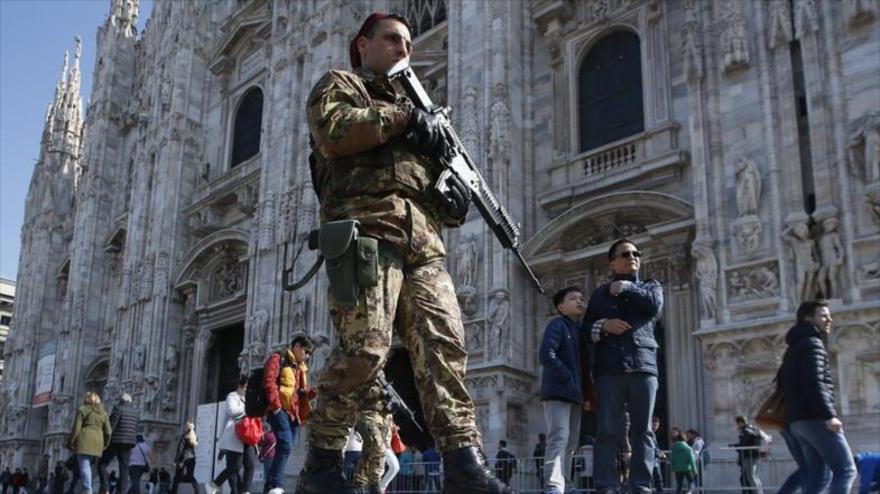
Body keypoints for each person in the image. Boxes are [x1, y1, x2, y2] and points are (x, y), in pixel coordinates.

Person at [296, 11, 510, 494]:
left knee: (445, 347)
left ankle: (462, 460)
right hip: (367, 235)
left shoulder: (421, 114)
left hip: (424, 245)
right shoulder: (343, 86)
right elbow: (335, 132)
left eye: (409, 43)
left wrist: (452, 198)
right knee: (366, 350)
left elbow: (437, 194)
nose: (403, 49)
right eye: (392, 39)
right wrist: (405, 118)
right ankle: (323, 461)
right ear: (363, 45)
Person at [582, 239, 663, 494]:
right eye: (625, 254)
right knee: (606, 429)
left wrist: (627, 287)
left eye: (636, 253)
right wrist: (603, 326)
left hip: (643, 366)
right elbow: (585, 329)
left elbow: (654, 307)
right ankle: (606, 484)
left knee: (644, 430)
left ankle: (641, 484)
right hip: (609, 369)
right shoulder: (599, 294)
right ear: (613, 261)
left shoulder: (650, 286)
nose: (632, 257)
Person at [782, 300, 857, 494]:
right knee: (846, 470)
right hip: (815, 418)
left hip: (798, 422)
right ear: (808, 319)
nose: (829, 319)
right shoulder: (812, 344)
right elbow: (815, 383)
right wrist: (829, 415)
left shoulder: (793, 347)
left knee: (818, 477)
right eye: (823, 315)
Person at [540, 286, 587, 494]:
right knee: (558, 437)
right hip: (559, 391)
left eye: (581, 298)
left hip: (575, 394)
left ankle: (565, 484)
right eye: (573, 298)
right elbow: (546, 354)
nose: (579, 301)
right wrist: (567, 377)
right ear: (561, 306)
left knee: (571, 442)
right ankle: (553, 485)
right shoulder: (557, 324)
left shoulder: (578, 330)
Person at [262, 334, 315, 494]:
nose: (306, 356)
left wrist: (311, 394)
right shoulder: (278, 358)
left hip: (294, 413)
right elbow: (269, 381)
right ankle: (276, 485)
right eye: (305, 351)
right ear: (297, 346)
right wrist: (276, 406)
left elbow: (298, 393)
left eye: (309, 354)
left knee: (284, 448)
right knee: (285, 444)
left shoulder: (299, 368)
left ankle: (269, 486)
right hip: (279, 411)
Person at [206, 377, 247, 494]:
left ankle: (215, 485)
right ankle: (230, 489)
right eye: (245, 387)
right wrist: (247, 409)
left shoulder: (245, 398)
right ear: (240, 386)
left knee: (233, 468)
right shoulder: (232, 396)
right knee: (234, 468)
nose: (246, 389)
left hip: (241, 437)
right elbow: (231, 411)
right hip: (231, 437)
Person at [68, 391, 112, 494]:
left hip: (84, 441)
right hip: (98, 443)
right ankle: (90, 487)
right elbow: (109, 431)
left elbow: (76, 428)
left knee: (84, 466)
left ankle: (88, 489)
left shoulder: (83, 409)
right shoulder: (104, 413)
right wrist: (106, 443)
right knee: (91, 467)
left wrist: (71, 442)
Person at [99, 393, 140, 494]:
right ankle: (121, 491)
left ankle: (105, 487)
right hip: (129, 442)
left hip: (116, 441)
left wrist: (105, 440)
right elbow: (136, 427)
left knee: (102, 463)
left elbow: (111, 427)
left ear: (121, 400)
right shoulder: (136, 412)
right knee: (124, 468)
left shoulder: (118, 408)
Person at [731, 417, 762, 494]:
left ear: (741, 422)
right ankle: (759, 492)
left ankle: (756, 492)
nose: (737, 425)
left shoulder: (745, 431)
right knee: (754, 476)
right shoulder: (753, 428)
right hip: (755, 455)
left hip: (748, 456)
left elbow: (743, 444)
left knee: (750, 476)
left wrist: (735, 446)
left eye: (738, 423)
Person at [170, 421, 199, 494]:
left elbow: (180, 449)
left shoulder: (184, 436)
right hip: (192, 458)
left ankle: (173, 492)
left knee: (177, 477)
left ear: (186, 427)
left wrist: (175, 461)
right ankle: (197, 490)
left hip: (183, 458)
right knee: (190, 476)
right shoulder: (195, 436)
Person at [257, 424, 276, 494]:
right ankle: (268, 488)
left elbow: (263, 445)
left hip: (269, 457)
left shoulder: (269, 436)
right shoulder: (271, 435)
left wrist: (262, 456)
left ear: (266, 430)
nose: (262, 431)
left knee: (267, 473)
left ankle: (268, 488)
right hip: (269, 457)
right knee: (268, 473)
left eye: (263, 430)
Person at [650, 417, 665, 494]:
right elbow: (651, 447)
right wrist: (658, 453)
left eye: (657, 425)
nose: (655, 427)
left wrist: (660, 453)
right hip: (649, 460)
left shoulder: (653, 435)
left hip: (655, 461)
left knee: (658, 479)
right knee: (650, 480)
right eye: (654, 425)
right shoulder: (648, 434)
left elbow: (655, 447)